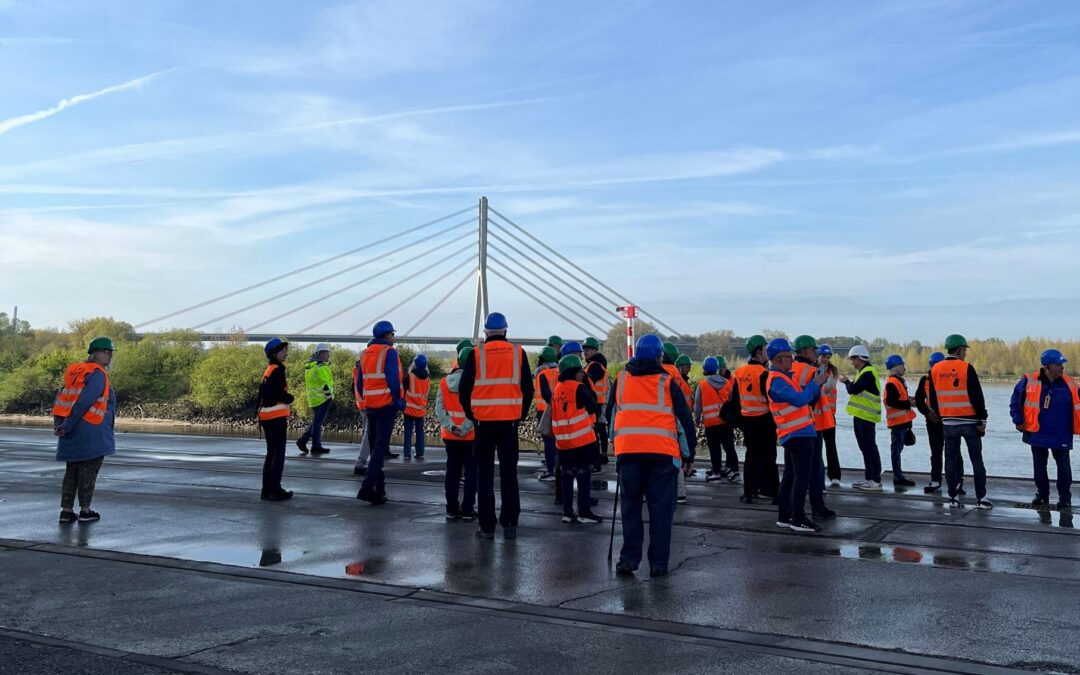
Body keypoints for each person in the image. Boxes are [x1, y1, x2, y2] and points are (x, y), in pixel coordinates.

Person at [606, 334, 696, 577]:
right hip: (662, 455)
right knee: (661, 511)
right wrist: (690, 454)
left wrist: (615, 442)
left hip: (629, 453)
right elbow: (686, 420)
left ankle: (628, 559)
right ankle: (658, 564)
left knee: (631, 508)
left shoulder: (621, 379)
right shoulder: (667, 383)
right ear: (659, 357)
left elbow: (609, 413)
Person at [459, 312, 534, 540]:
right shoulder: (518, 353)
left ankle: (487, 527)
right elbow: (528, 390)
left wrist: (473, 415)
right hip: (509, 424)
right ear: (505, 331)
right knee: (509, 474)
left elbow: (464, 390)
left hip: (484, 424)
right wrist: (518, 415)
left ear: (486, 332)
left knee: (485, 475)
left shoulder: (476, 354)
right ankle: (510, 523)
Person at [53, 336, 118, 523]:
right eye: (107, 352)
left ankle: (66, 511)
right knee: (88, 470)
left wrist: (59, 424)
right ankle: (85, 510)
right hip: (91, 430)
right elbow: (84, 402)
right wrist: (68, 425)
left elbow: (62, 397)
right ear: (96, 354)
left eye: (110, 352)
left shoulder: (76, 371)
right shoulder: (98, 374)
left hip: (71, 430)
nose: (110, 356)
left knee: (71, 470)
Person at [767, 338, 829, 532]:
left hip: (794, 433)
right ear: (778, 359)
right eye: (788, 356)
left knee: (791, 476)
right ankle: (798, 518)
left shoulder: (783, 377)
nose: (792, 360)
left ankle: (785, 516)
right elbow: (800, 399)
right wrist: (816, 384)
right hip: (797, 434)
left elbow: (798, 395)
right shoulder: (777, 380)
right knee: (801, 477)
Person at [928, 334, 991, 509]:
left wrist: (943, 415)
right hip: (970, 421)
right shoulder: (966, 368)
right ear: (959, 350)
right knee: (976, 460)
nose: (965, 354)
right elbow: (977, 396)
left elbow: (932, 399)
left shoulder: (935, 370)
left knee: (950, 461)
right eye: (964, 350)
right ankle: (981, 498)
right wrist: (982, 419)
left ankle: (953, 498)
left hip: (948, 423)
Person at [1010, 349, 1077, 510]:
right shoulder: (1029, 381)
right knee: (1040, 465)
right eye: (1059, 364)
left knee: (1063, 465)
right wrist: (1018, 421)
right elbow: (1015, 401)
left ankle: (1065, 498)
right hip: (1037, 431)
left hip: (1061, 433)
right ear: (1047, 367)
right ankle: (1042, 495)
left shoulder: (1071, 384)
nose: (1062, 367)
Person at [355, 320, 405, 505]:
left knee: (376, 446)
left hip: (370, 406)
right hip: (385, 405)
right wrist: (399, 401)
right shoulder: (389, 353)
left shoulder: (365, 354)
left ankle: (380, 489)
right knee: (380, 447)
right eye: (392, 334)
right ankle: (367, 487)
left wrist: (367, 397)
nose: (393, 337)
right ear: (386, 336)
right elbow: (393, 379)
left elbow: (360, 383)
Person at [551, 354, 604, 524]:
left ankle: (567, 512)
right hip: (582, 441)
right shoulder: (578, 387)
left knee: (566, 477)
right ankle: (584, 512)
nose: (583, 374)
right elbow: (593, 406)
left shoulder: (558, 388)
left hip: (563, 442)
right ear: (573, 371)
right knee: (583, 476)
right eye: (580, 371)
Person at [790, 335, 835, 520]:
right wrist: (821, 383)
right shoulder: (810, 371)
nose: (816, 353)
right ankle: (817, 507)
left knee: (793, 471)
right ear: (806, 350)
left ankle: (789, 511)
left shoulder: (788, 370)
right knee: (815, 467)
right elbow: (813, 397)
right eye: (814, 350)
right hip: (813, 424)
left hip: (792, 425)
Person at [730, 335, 777, 504]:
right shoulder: (764, 374)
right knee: (769, 457)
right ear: (759, 351)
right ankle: (774, 493)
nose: (767, 353)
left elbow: (734, 399)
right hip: (764, 420)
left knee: (751, 456)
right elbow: (771, 399)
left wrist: (740, 420)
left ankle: (749, 493)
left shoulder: (740, 372)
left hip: (747, 420)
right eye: (765, 349)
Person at [436, 346, 478, 520]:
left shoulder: (444, 382)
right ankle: (468, 509)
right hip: (470, 436)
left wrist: (451, 426)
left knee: (452, 472)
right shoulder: (476, 382)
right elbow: (476, 409)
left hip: (450, 436)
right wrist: (465, 427)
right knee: (471, 473)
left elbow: (439, 409)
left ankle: (451, 508)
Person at [915, 352, 961, 493]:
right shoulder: (925, 380)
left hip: (951, 420)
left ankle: (958, 482)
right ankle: (936, 480)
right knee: (936, 451)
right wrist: (928, 413)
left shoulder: (952, 378)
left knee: (954, 452)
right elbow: (918, 400)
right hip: (934, 422)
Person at [256, 338, 294, 501]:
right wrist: (289, 398)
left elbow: (265, 392)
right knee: (278, 454)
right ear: (274, 353)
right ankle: (275, 489)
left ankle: (267, 489)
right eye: (282, 351)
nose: (286, 353)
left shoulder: (269, 369)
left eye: (286, 350)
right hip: (275, 417)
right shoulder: (277, 370)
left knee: (271, 453)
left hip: (266, 415)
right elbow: (277, 393)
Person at [841, 345, 882, 491]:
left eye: (852, 359)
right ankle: (869, 478)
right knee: (865, 448)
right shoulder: (863, 372)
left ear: (859, 358)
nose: (851, 362)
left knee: (869, 447)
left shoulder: (868, 373)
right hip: (860, 416)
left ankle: (875, 480)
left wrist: (846, 381)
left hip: (866, 417)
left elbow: (853, 389)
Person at [696, 356, 740, 484]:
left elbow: (698, 405)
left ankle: (716, 473)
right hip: (726, 422)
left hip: (711, 424)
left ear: (705, 369)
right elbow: (732, 401)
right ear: (716, 369)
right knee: (729, 447)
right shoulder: (727, 383)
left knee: (714, 449)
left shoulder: (702, 384)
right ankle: (735, 472)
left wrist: (697, 419)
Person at [662, 343, 695, 503]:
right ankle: (680, 492)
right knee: (677, 457)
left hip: (660, 423)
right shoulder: (678, 377)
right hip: (677, 422)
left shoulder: (657, 374)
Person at [883, 354, 917, 487]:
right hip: (898, 422)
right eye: (903, 365)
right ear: (895, 367)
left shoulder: (897, 381)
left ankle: (898, 475)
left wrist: (909, 400)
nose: (905, 368)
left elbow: (899, 399)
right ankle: (898, 476)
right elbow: (892, 401)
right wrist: (909, 404)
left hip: (902, 422)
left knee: (897, 449)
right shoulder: (892, 382)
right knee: (896, 450)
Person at [298, 343, 334, 455]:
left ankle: (303, 441)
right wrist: (329, 397)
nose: (328, 355)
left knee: (316, 422)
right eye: (327, 353)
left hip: (313, 399)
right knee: (318, 423)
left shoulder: (310, 366)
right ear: (321, 353)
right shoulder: (321, 367)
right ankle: (315, 446)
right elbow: (325, 385)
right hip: (322, 399)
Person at [815, 345, 842, 487]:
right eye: (823, 356)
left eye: (828, 357)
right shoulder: (813, 370)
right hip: (816, 416)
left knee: (831, 446)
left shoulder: (832, 372)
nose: (826, 359)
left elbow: (827, 388)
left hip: (830, 414)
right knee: (817, 448)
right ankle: (818, 476)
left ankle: (835, 475)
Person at [582, 337, 611, 465]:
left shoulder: (594, 366)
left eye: (587, 350)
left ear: (594, 350)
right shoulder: (597, 365)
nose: (585, 353)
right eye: (584, 350)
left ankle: (597, 458)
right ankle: (603, 455)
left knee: (594, 431)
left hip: (596, 403)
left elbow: (589, 383)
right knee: (601, 429)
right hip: (599, 402)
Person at [533, 346, 560, 482]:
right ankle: (559, 468)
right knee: (558, 442)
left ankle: (551, 471)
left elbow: (545, 394)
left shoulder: (542, 374)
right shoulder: (561, 372)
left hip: (545, 412)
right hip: (560, 411)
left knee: (549, 442)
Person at [402, 354, 431, 460]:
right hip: (420, 410)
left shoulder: (410, 376)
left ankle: (407, 454)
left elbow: (403, 389)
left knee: (408, 432)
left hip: (409, 409)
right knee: (420, 432)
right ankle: (420, 452)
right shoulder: (428, 378)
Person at [352, 340, 374, 476]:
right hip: (371, 404)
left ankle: (369, 460)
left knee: (368, 433)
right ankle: (362, 463)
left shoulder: (358, 365)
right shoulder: (371, 363)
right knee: (369, 434)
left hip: (362, 403)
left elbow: (357, 385)